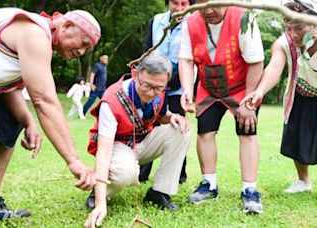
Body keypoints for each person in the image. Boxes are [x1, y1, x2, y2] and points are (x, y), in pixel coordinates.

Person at [0, 7, 101, 222]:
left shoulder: (38, 37)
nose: (81, 52)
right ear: (67, 26)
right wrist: (73, 160)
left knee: (8, 123)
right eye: (84, 44)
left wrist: (27, 120)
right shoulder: (36, 33)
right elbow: (44, 100)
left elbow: (8, 87)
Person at [241, 2, 317, 206]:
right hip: (300, 94)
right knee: (298, 139)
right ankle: (303, 181)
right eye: (288, 27)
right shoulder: (284, 42)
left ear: (313, 22)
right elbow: (275, 67)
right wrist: (259, 91)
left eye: (299, 27)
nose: (293, 34)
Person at [84, 53, 191, 228]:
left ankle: (159, 192)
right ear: (135, 75)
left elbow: (160, 114)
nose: (151, 93)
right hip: (117, 147)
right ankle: (98, 192)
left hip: (143, 141)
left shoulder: (160, 92)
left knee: (182, 131)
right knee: (128, 172)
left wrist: (172, 116)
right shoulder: (111, 101)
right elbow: (103, 153)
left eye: (158, 88)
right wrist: (100, 204)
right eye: (147, 85)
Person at [179, 0, 265, 214]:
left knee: (247, 133)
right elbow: (186, 60)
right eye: (200, 4)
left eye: (213, 3)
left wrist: (248, 102)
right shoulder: (189, 22)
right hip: (209, 87)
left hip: (241, 87)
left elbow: (256, 62)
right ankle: (209, 184)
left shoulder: (245, 18)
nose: (208, 10)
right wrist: (187, 89)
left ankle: (249, 190)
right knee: (205, 132)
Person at [139, 0, 194, 184]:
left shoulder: (194, 23)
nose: (178, 8)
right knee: (148, 124)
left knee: (178, 127)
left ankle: (179, 174)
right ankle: (142, 172)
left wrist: (171, 81)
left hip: (178, 86)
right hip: (153, 84)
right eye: (174, 3)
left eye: (184, 4)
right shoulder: (156, 21)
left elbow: (191, 58)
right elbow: (147, 50)